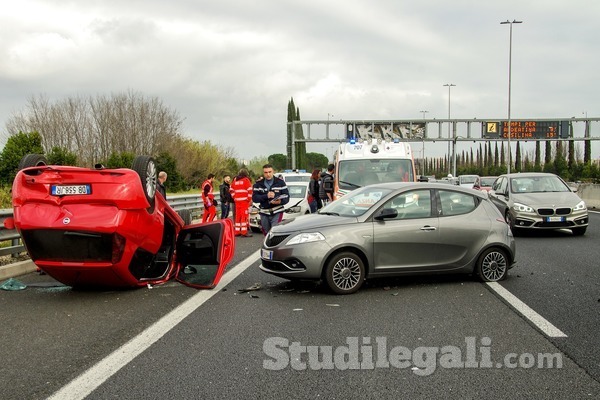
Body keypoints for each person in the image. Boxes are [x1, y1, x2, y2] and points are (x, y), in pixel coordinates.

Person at [252, 164, 289, 235]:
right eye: (266, 172)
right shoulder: (258, 184)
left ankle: (275, 245)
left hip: (277, 211)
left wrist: (280, 201)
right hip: (264, 212)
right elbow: (255, 198)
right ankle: (267, 245)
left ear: (273, 172)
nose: (268, 174)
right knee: (266, 233)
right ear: (263, 173)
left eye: (270, 172)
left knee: (275, 231)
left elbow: (287, 197)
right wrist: (266, 196)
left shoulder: (280, 182)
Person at [230, 168, 253, 236]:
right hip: (244, 201)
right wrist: (248, 199)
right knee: (244, 216)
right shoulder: (246, 180)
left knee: (238, 216)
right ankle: (244, 232)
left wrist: (234, 197)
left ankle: (237, 231)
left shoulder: (235, 180)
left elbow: (231, 189)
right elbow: (250, 190)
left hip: (237, 201)